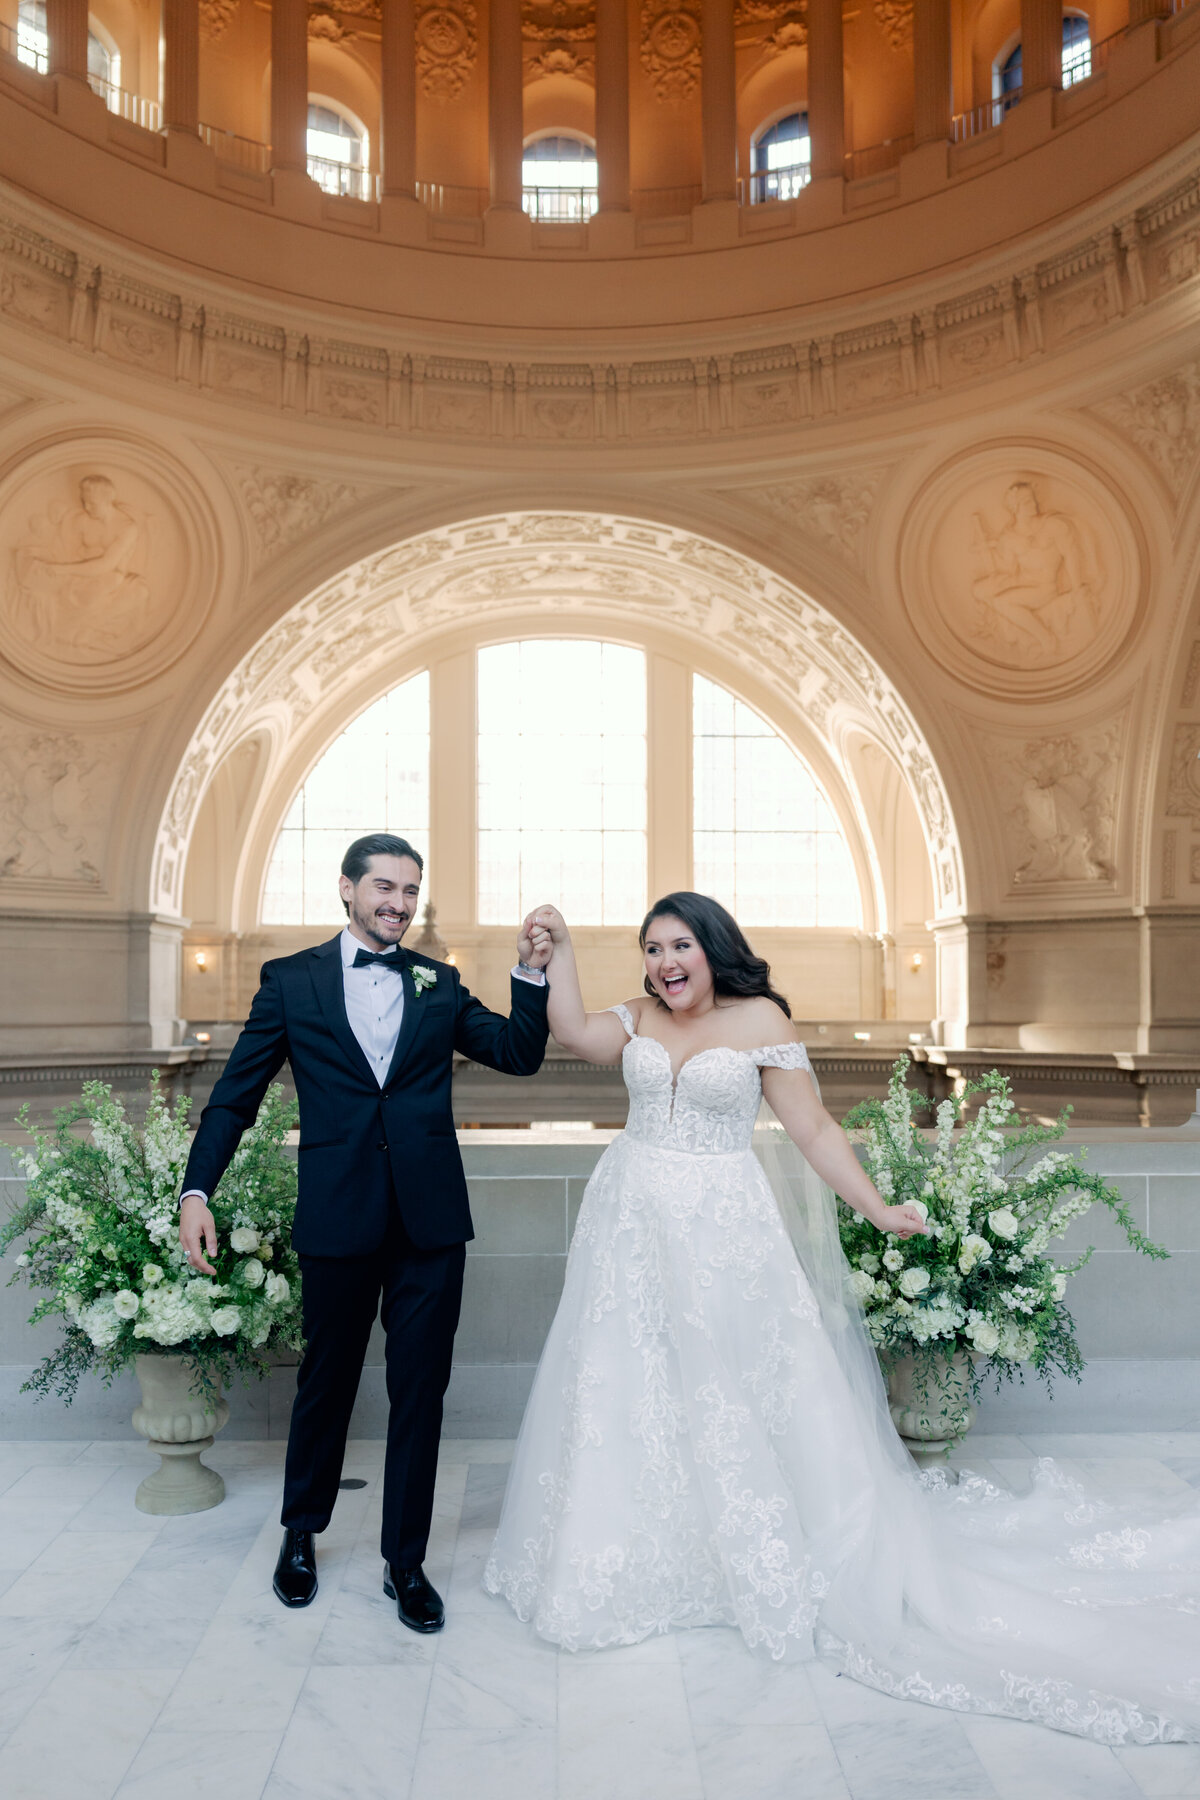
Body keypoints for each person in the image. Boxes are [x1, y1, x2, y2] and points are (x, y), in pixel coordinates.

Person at [485, 893, 1200, 1743]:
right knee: (628, 1380)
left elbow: (815, 1127)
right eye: (650, 949)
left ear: (713, 948)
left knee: (734, 1386)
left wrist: (879, 1206)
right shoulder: (634, 1017)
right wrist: (556, 948)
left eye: (679, 945)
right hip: (631, 1224)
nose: (663, 962)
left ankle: (750, 1559)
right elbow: (570, 1031)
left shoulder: (759, 1020)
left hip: (722, 1230)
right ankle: (643, 1554)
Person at [179, 832, 553, 1632]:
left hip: (430, 1223)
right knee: (328, 1382)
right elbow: (234, 1096)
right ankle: (301, 1536)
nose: (399, 904)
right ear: (347, 889)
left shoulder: (440, 984)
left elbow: (520, 1055)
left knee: (421, 1392)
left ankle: (405, 1562)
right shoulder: (290, 982)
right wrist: (196, 1188)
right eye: (385, 887)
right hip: (338, 1214)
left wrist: (530, 972)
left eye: (412, 891)